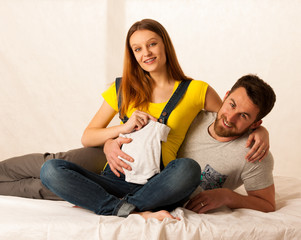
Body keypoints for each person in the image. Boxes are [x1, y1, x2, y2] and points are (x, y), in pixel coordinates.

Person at [1, 19, 268, 220]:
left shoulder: (197, 90)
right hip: (111, 173)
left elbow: (231, 116)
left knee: (188, 168)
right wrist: (122, 129)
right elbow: (88, 136)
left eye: (152, 44)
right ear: (132, 55)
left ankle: (112, 205)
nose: (146, 53)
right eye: (137, 49)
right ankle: (132, 210)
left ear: (165, 44)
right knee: (50, 169)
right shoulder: (122, 87)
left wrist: (261, 130)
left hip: (156, 182)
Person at [177, 74, 276, 214]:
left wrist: (227, 197)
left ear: (255, 124)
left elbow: (267, 204)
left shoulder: (255, 153)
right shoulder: (192, 116)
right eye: (232, 105)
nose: (230, 118)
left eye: (243, 115)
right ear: (226, 96)